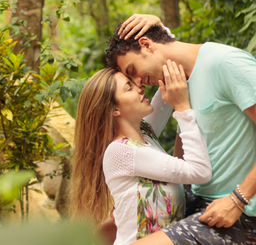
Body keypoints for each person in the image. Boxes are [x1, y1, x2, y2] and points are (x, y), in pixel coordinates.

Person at [105, 14, 256, 244]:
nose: (139, 83)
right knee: (111, 226)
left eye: (133, 70)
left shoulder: (225, 63)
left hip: (241, 211)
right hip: (198, 200)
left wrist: (238, 199)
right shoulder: (177, 81)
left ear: (146, 44)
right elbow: (187, 143)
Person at [71, 60, 212, 244]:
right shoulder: (120, 152)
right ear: (114, 109)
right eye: (129, 87)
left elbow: (167, 70)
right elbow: (200, 171)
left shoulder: (144, 134)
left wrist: (158, 33)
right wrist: (183, 108)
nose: (139, 87)